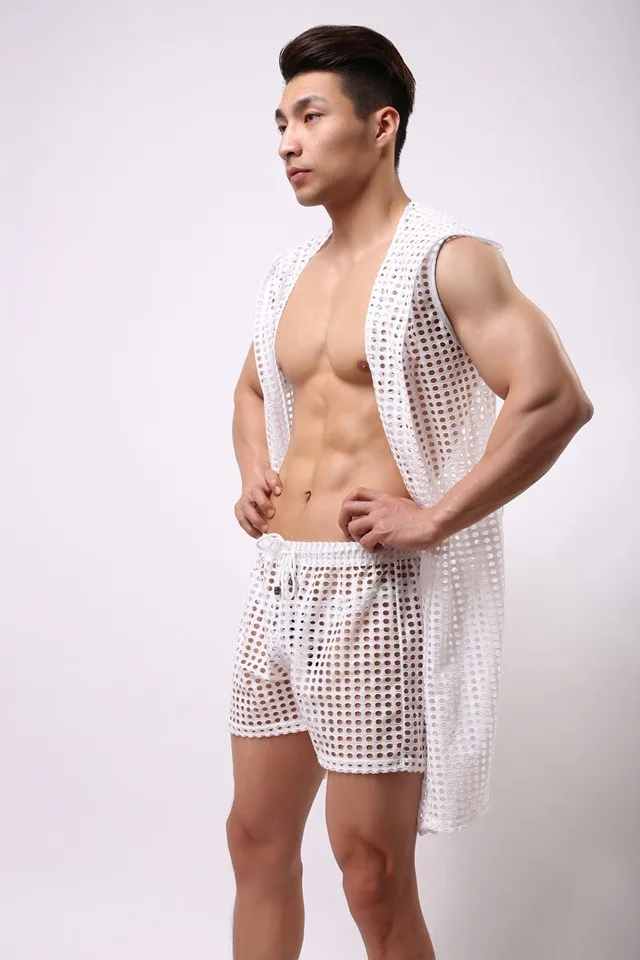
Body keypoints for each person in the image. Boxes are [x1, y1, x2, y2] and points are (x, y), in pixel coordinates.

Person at [226, 23, 594, 960]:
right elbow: (253, 388)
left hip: (375, 597)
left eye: (310, 116)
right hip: (279, 588)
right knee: (254, 839)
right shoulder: (290, 275)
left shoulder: (448, 259)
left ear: (381, 124)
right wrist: (254, 472)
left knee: (371, 873)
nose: (287, 142)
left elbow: (553, 399)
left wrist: (435, 516)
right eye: (280, 123)